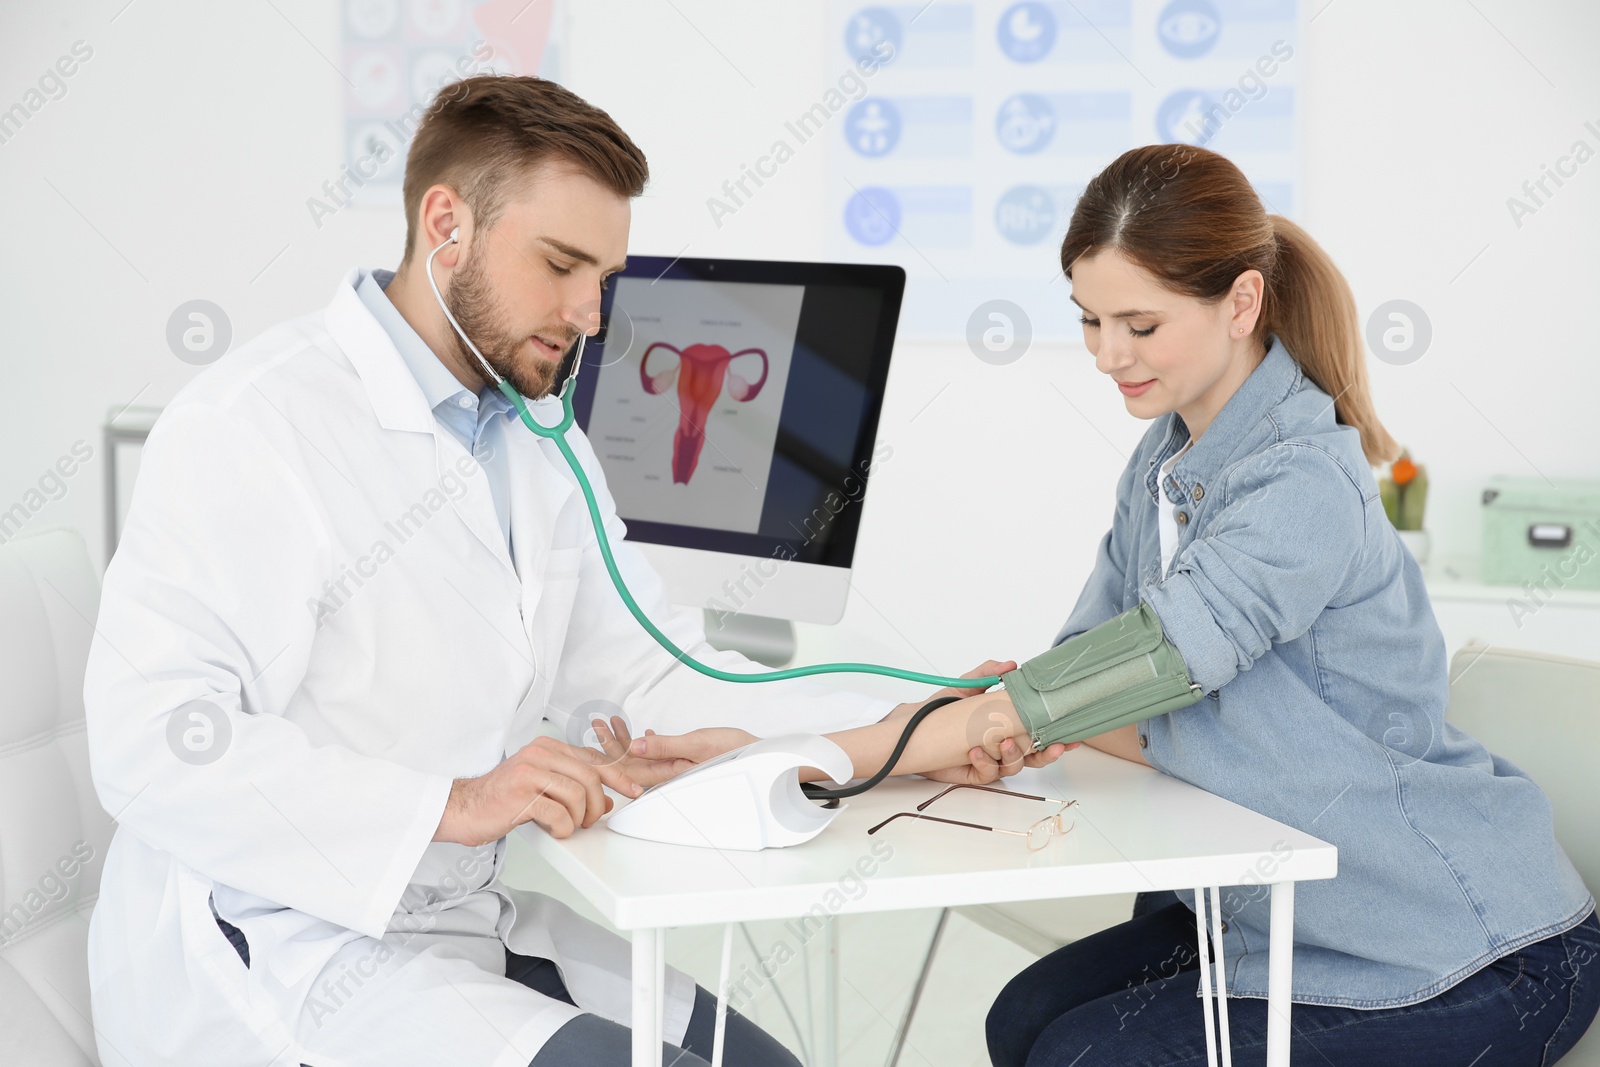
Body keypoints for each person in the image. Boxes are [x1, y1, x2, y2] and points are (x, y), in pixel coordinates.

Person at [81, 74, 1062, 1067]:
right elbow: (152, 741)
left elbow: (659, 678)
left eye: (604, 275)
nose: (592, 315)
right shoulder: (255, 423)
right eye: (561, 265)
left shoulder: (536, 437)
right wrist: (459, 801)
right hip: (276, 941)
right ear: (445, 222)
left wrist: (914, 726)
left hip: (459, 918)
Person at [973, 144, 1600, 1066]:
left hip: (1472, 951)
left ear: (1241, 302)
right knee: (1024, 1019)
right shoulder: (1162, 463)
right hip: (1292, 914)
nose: (1108, 354)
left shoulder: (1302, 478)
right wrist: (1035, 704)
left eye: (1139, 324)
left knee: (1088, 1057)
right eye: (1091, 320)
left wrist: (1032, 707)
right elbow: (1080, 664)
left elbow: (1107, 680)